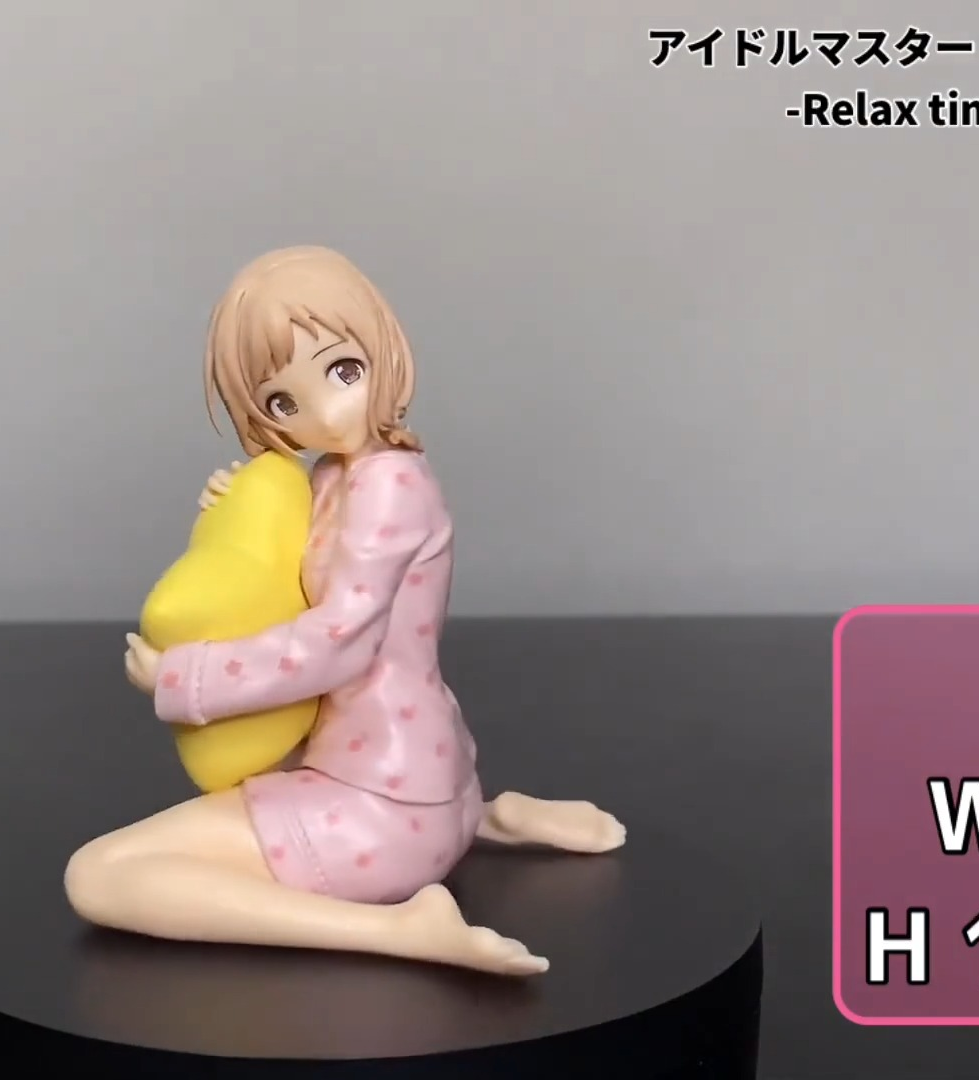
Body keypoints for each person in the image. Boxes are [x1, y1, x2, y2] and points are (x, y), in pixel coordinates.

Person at [66, 246, 623, 976]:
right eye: (282, 403)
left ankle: (399, 930)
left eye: (343, 371)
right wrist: (237, 508)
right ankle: (489, 818)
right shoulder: (343, 473)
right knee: (134, 859)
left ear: (382, 346)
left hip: (379, 802)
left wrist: (186, 678)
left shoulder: (388, 485)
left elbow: (339, 642)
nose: (325, 415)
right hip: (405, 772)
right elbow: (286, 576)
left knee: (98, 876)